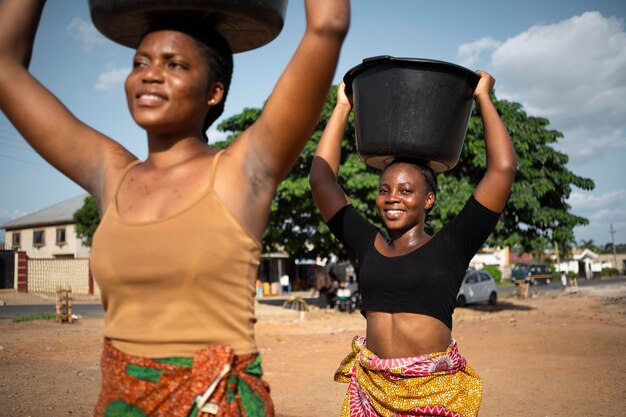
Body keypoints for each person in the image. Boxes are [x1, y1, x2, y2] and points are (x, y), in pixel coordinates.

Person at [0, 1, 349, 415]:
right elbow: (5, 68)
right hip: (121, 403)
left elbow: (327, 25)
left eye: (175, 65)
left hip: (217, 404)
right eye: (140, 62)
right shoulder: (111, 174)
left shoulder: (243, 170)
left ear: (214, 91)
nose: (150, 73)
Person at [309, 73, 516, 416]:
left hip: (432, 393)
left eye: (406, 190)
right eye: (385, 190)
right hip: (372, 390)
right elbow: (321, 179)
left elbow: (502, 170)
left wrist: (483, 98)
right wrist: (343, 107)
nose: (393, 198)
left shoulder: (452, 245)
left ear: (428, 199)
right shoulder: (366, 242)